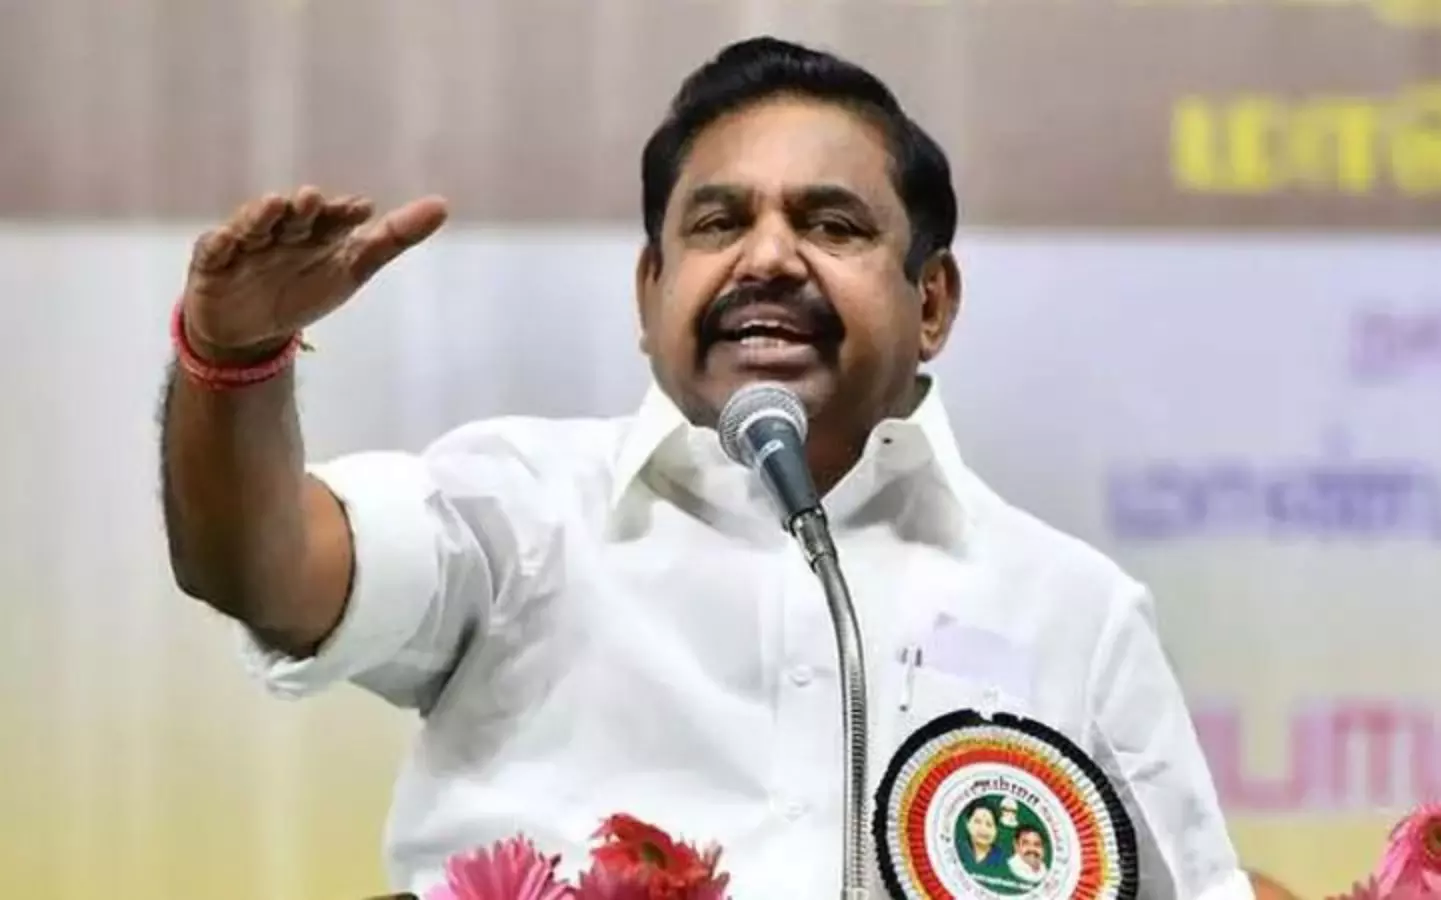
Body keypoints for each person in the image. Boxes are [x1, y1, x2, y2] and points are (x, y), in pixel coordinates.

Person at [157, 36, 1252, 900]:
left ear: (931, 303)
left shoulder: (1071, 609)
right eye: (720, 222)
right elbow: (261, 568)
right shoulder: (525, 508)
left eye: (832, 224)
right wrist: (234, 359)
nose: (767, 257)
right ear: (651, 292)